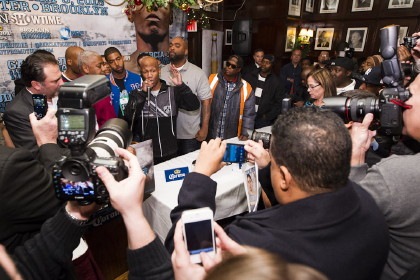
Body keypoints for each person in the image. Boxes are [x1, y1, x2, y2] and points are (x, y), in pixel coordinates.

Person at [165, 108, 389, 280]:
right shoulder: (369, 204)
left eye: (274, 164)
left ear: (284, 176)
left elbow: (185, 255)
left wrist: (201, 175)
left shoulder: (251, 242)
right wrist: (266, 168)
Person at [349, 72, 420, 280]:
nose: (402, 102)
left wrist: (355, 155)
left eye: (411, 94)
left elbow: (346, 219)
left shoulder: (399, 174)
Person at [124, 56, 200, 164]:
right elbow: (128, 118)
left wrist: (181, 86)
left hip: (171, 151)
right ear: (141, 73)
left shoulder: (172, 92)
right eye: (146, 72)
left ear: (159, 71)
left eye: (153, 71)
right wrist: (142, 94)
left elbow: (194, 106)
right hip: (146, 153)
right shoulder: (136, 94)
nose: (149, 75)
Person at [3, 51, 63, 155]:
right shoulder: (17, 112)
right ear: (36, 85)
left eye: (60, 77)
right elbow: (36, 154)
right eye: (55, 81)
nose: (61, 83)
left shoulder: (62, 93)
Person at [160, 37, 212, 155]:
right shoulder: (161, 72)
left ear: (186, 51)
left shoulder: (198, 73)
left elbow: (206, 102)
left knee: (189, 169)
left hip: (190, 135)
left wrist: (204, 128)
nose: (172, 48)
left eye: (177, 46)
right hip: (167, 134)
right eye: (171, 45)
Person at [207, 55, 255, 140]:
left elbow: (249, 115)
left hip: (231, 135)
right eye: (228, 64)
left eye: (233, 66)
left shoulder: (246, 88)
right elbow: (203, 105)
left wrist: (246, 133)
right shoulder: (212, 79)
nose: (229, 67)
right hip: (211, 133)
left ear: (239, 69)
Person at [124, 4, 171, 74]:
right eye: (142, 1)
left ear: (171, 15)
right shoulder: (121, 68)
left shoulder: (187, 68)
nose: (152, 6)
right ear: (129, 14)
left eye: (162, 0)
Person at [243, 54, 284, 128]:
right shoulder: (250, 76)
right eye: (263, 61)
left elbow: (278, 103)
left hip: (262, 119)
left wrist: (268, 116)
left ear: (272, 65)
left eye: (267, 63)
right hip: (247, 115)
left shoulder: (276, 82)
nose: (264, 64)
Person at [78, 50, 117, 127]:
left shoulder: (99, 85)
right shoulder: (80, 92)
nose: (103, 69)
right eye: (99, 66)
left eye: (103, 65)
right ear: (86, 68)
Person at [104, 47, 141, 117]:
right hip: (114, 124)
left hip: (136, 124)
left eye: (118, 59)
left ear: (122, 58)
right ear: (108, 64)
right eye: (111, 61)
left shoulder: (137, 78)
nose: (117, 63)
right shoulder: (104, 83)